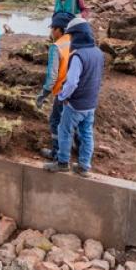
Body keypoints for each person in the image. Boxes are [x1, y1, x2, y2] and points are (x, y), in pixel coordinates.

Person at [44, 18, 104, 178]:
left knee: (64, 131)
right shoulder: (98, 52)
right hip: (90, 103)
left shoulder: (78, 56)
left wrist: (63, 96)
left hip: (75, 103)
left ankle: (63, 163)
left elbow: (71, 83)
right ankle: (84, 166)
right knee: (86, 134)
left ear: (77, 35)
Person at [35, 11, 76, 160]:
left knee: (55, 121)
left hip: (62, 90)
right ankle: (73, 147)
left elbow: (52, 77)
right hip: (77, 90)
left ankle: (57, 153)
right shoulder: (75, 41)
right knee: (72, 121)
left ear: (59, 29)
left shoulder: (56, 47)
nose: (51, 32)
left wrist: (43, 94)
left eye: (53, 29)